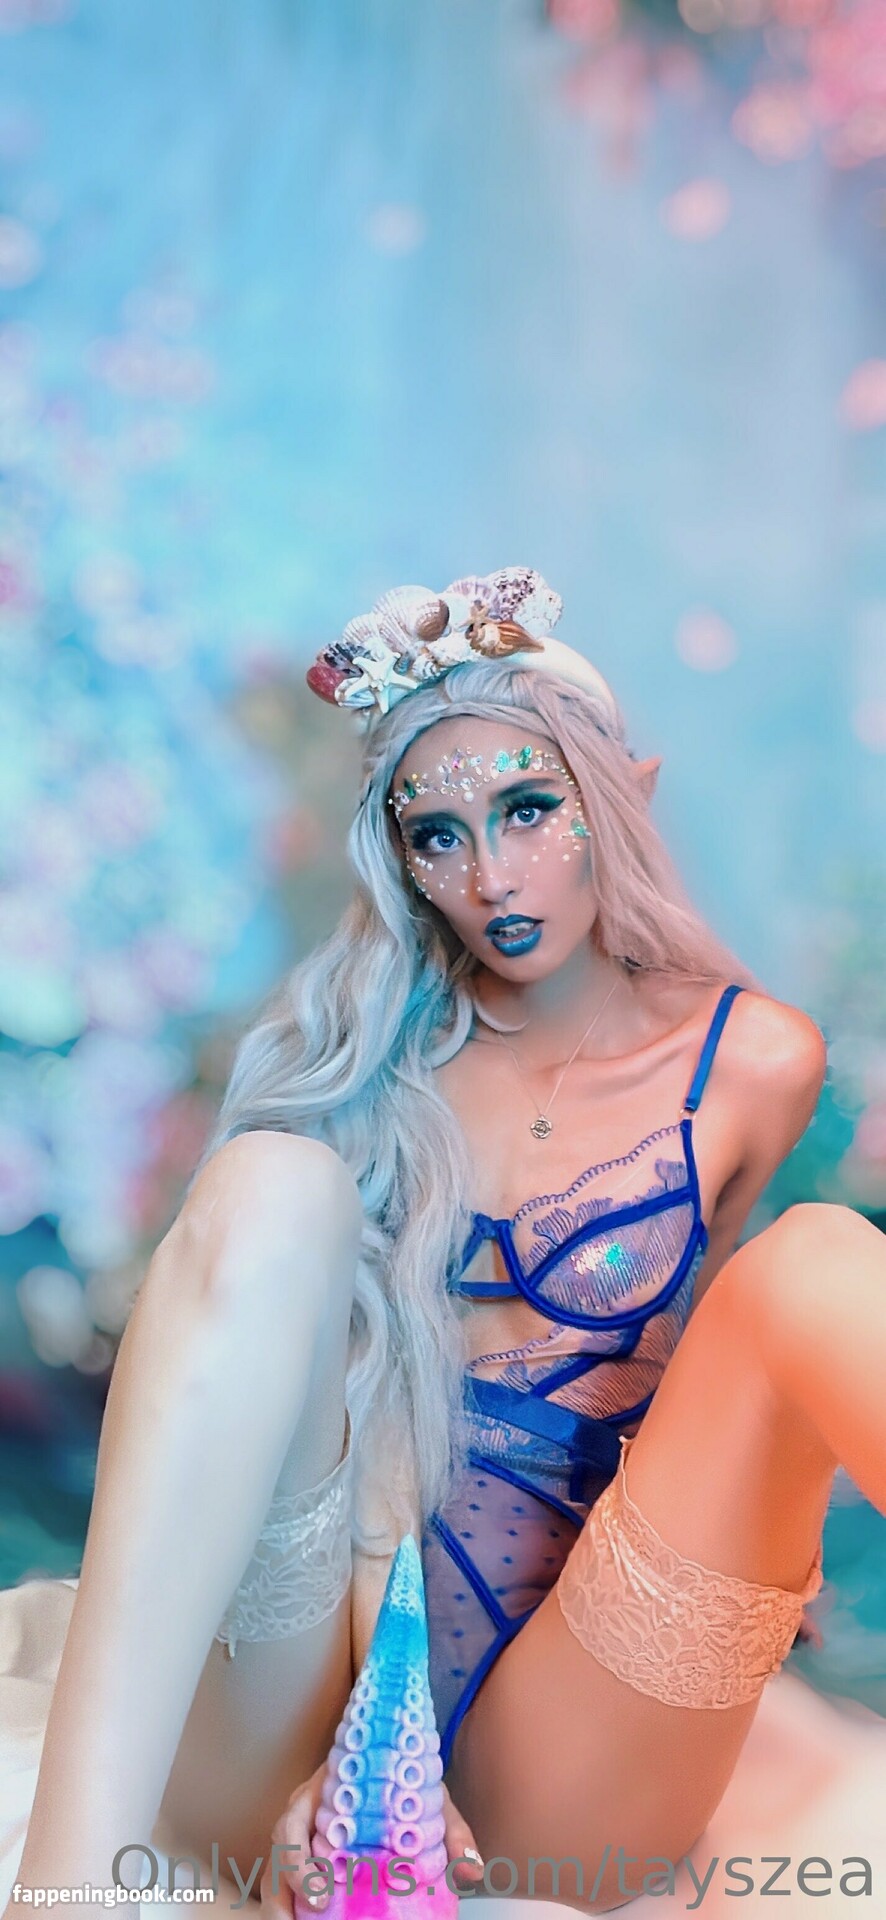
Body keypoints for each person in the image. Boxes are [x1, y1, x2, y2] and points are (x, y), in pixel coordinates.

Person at [2, 565, 886, 1919]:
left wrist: (753, 1545)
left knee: (817, 1259)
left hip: (582, 1703)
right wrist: (377, 1722)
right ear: (398, 860)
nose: (490, 877)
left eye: (527, 809)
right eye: (437, 833)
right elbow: (348, 1417)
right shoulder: (365, 1067)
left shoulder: (753, 1063)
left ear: (619, 797)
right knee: (273, 1180)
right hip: (310, 1678)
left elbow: (707, 1367)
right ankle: (60, 1891)